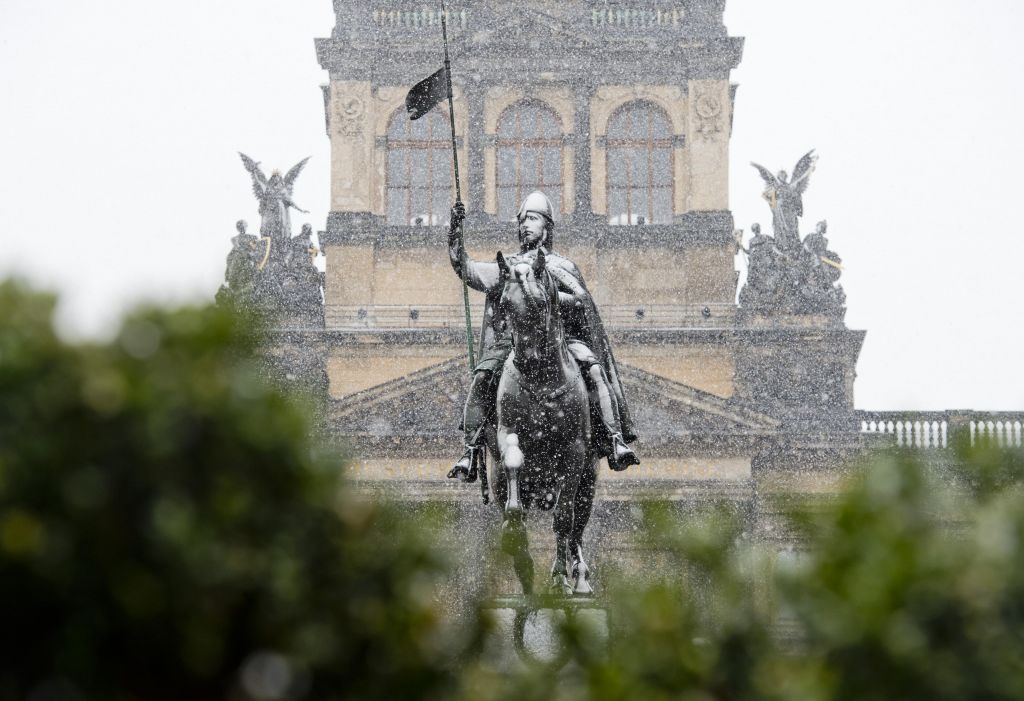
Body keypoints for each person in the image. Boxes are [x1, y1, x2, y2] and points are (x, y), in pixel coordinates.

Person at [447, 191, 639, 480]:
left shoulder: (563, 267)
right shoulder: (508, 266)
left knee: (595, 371)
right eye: (522, 221)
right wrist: (455, 231)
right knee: (482, 377)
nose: (525, 225)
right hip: (513, 343)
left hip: (562, 341)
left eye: (533, 219)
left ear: (547, 227)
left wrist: (549, 297)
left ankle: (614, 439)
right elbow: (466, 268)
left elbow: (580, 302)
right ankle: (471, 450)